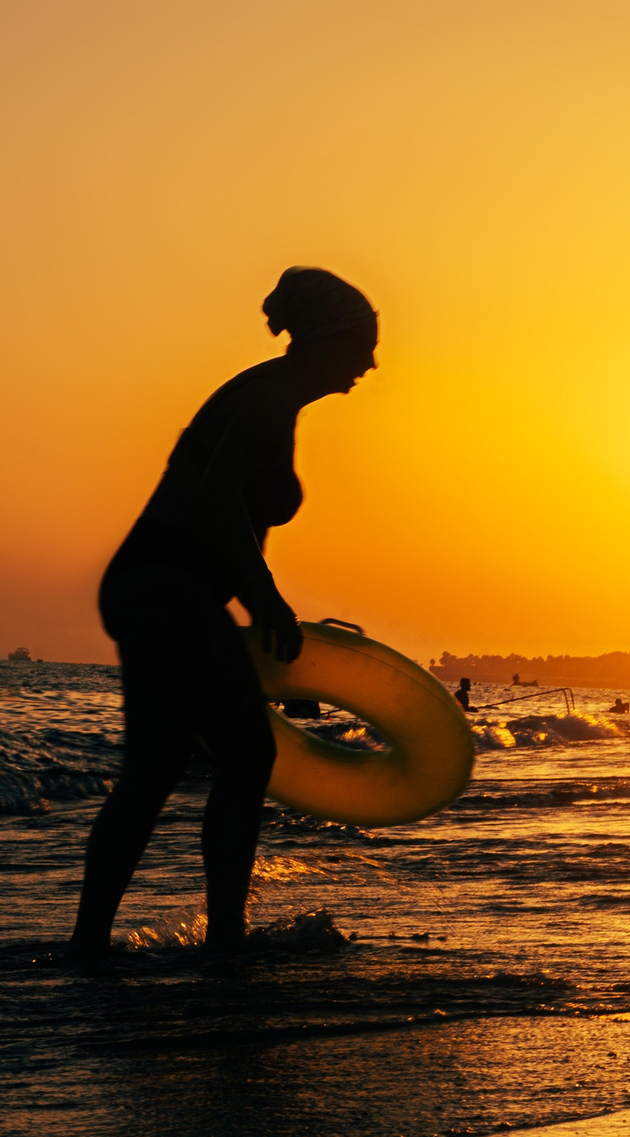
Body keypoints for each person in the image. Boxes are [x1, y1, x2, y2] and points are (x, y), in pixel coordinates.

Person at [68, 267, 376, 960]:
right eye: (363, 344)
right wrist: (265, 597)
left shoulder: (276, 400)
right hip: (162, 587)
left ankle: (96, 946)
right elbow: (215, 501)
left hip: (169, 591)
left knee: (164, 767)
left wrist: (253, 606)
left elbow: (235, 516)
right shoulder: (265, 400)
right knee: (240, 755)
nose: (372, 363)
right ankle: (218, 945)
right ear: (326, 342)